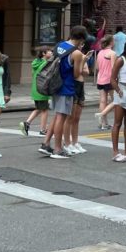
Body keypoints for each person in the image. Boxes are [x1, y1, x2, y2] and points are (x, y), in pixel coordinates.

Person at [43, 27, 86, 160]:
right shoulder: (76, 53)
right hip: (66, 87)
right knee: (61, 118)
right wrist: (83, 61)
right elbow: (77, 74)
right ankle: (58, 149)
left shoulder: (59, 45)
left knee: (57, 116)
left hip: (55, 84)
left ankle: (46, 144)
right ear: (81, 39)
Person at [23, 46, 52, 137]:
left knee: (39, 109)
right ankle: (43, 130)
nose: (51, 53)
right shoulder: (45, 64)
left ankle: (27, 123)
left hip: (36, 89)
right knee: (45, 110)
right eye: (49, 51)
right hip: (42, 90)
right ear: (44, 53)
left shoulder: (36, 62)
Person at [93, 35, 116, 131]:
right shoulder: (112, 53)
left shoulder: (100, 53)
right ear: (111, 42)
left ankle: (103, 123)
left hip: (100, 79)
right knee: (116, 100)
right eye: (113, 41)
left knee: (103, 101)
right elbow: (114, 68)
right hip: (109, 79)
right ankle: (103, 116)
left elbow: (97, 67)